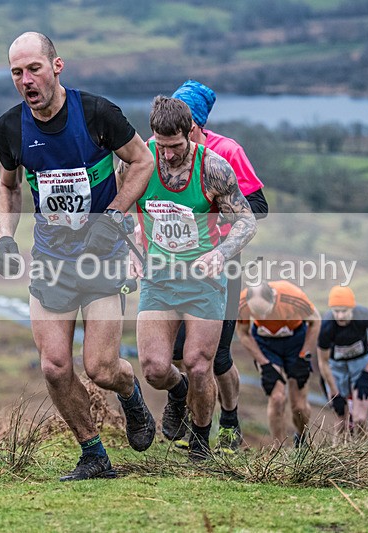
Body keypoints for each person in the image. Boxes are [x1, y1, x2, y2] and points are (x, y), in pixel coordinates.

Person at [0, 32, 156, 481]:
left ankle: (130, 393)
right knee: (54, 366)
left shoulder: (97, 113)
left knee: (100, 367)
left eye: (34, 69)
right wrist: (5, 237)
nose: (26, 80)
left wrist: (114, 214)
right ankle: (94, 454)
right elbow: (8, 186)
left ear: (57, 66)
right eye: (17, 73)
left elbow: (143, 162)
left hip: (101, 255)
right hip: (51, 259)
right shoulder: (10, 128)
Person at [123, 96, 257, 461]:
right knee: (154, 369)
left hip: (203, 281)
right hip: (159, 280)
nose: (167, 155)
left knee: (199, 364)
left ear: (191, 133)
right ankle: (178, 391)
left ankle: (200, 441)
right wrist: (131, 248)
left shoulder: (213, 167)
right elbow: (118, 209)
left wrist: (221, 253)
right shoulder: (139, 162)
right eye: (161, 146)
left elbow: (246, 221)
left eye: (176, 146)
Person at [164, 80, 268, 451]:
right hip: (174, 263)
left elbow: (259, 207)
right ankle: (192, 415)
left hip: (222, 262)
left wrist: (213, 215)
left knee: (216, 356)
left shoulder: (227, 151)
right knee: (177, 352)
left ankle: (228, 423)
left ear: (196, 124)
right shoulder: (160, 149)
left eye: (184, 122)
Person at [235, 281, 320, 447]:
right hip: (266, 344)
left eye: (265, 311)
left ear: (273, 298)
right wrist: (264, 364)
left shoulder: (293, 297)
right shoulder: (242, 303)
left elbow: (315, 321)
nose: (263, 317)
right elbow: (243, 334)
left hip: (296, 342)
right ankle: (278, 449)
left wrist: (304, 355)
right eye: (257, 313)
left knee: (298, 405)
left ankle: (301, 438)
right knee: (277, 398)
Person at [317, 285, 368, 437]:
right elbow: (323, 362)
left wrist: (367, 372)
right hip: (336, 368)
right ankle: (336, 449)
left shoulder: (365, 315)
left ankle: (362, 448)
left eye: (344, 311)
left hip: (360, 365)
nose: (340, 316)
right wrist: (335, 394)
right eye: (336, 311)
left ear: (352, 308)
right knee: (341, 420)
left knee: (360, 418)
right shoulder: (326, 326)